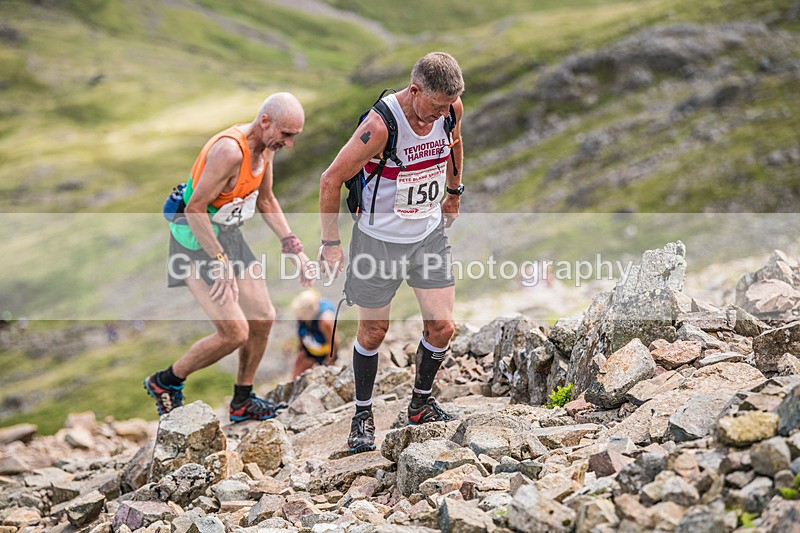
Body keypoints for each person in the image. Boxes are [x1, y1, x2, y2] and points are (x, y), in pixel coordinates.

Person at [319, 52, 465, 453]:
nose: (437, 117)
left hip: (428, 235)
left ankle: (420, 404)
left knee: (442, 327)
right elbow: (330, 179)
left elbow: (454, 142)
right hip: (378, 241)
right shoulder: (380, 126)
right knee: (374, 331)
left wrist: (453, 192)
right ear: (414, 90)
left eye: (444, 109)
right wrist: (331, 245)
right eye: (432, 108)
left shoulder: (450, 108)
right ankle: (362, 416)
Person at [145, 92, 312, 421]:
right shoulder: (229, 151)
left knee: (263, 317)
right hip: (194, 242)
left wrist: (293, 246)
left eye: (294, 136)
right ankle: (166, 382)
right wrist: (221, 264)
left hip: (228, 235)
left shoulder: (265, 149)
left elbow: (266, 200)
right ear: (265, 121)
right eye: (286, 134)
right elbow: (194, 209)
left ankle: (242, 401)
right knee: (235, 332)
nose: (289, 143)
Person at [291, 289, 339, 378]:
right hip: (309, 350)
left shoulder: (325, 321)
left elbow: (333, 343)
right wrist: (301, 349)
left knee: (328, 377)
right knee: (296, 376)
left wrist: (328, 362)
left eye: (302, 314)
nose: (300, 317)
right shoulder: (303, 316)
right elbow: (300, 332)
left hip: (324, 352)